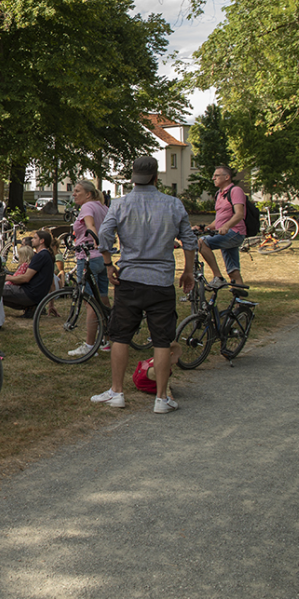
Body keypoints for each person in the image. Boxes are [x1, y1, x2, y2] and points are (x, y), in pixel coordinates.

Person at [92, 155, 196, 414]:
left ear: (133, 177)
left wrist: (108, 264)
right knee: (162, 340)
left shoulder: (120, 204)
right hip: (161, 281)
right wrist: (188, 272)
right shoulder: (173, 204)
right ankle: (161, 398)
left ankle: (117, 391)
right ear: (156, 177)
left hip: (130, 279)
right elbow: (190, 241)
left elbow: (103, 235)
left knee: (120, 336)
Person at [66, 180, 112, 359]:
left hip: (88, 258)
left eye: (77, 191)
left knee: (90, 302)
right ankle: (106, 340)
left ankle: (89, 345)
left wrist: (94, 240)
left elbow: (91, 226)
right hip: (102, 257)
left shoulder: (87, 207)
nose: (74, 194)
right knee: (103, 298)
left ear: (88, 194)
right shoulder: (103, 207)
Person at [200, 165, 247, 289]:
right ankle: (240, 304)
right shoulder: (219, 194)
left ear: (227, 177)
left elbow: (239, 214)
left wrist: (226, 227)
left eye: (216, 176)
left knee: (202, 243)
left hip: (234, 232)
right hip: (224, 234)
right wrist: (205, 228)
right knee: (233, 271)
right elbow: (220, 218)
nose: (213, 178)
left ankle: (218, 277)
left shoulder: (235, 191)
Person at [1, 230, 55, 314]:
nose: (32, 240)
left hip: (29, 294)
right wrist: (51, 305)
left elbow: (25, 278)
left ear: (42, 241)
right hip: (38, 297)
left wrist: (5, 277)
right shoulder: (48, 256)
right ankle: (31, 308)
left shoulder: (40, 256)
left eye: (35, 238)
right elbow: (52, 282)